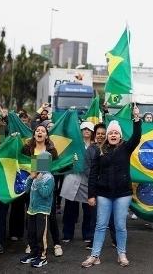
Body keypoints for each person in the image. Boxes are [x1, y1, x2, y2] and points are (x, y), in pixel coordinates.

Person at [81, 105, 142, 268]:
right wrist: (91, 195)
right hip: (103, 193)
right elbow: (93, 174)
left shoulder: (126, 148)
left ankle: (121, 254)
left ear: (119, 135)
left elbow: (136, 137)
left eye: (116, 133)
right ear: (107, 136)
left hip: (123, 194)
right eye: (111, 133)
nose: (113, 135)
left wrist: (137, 119)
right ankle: (95, 255)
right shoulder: (99, 151)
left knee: (121, 225)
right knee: (100, 225)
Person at [19, 124, 59, 268]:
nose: (40, 164)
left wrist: (39, 178)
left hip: (43, 209)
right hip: (31, 208)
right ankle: (33, 253)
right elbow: (28, 190)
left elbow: (44, 193)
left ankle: (42, 256)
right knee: (31, 233)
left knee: (40, 234)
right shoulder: (35, 176)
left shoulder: (49, 178)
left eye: (43, 162)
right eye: (38, 162)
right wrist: (31, 178)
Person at [61, 121, 95, 244]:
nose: (86, 131)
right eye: (84, 129)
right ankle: (67, 234)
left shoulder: (94, 147)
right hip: (73, 179)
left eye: (89, 129)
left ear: (92, 132)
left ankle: (87, 234)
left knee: (88, 210)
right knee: (70, 209)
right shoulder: (73, 146)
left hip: (87, 181)